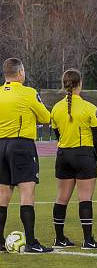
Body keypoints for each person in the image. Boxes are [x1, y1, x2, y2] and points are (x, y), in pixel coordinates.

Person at [0, 58, 53, 253]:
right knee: (27, 194)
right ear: (20, 72)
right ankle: (31, 242)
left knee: (2, 196)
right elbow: (46, 117)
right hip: (21, 144)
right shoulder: (28, 93)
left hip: (0, 145)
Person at [50, 69, 97, 250]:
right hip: (84, 154)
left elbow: (57, 134)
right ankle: (88, 240)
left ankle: (59, 238)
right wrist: (91, 155)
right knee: (85, 198)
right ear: (80, 84)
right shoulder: (89, 108)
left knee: (61, 198)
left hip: (63, 155)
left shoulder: (56, 108)